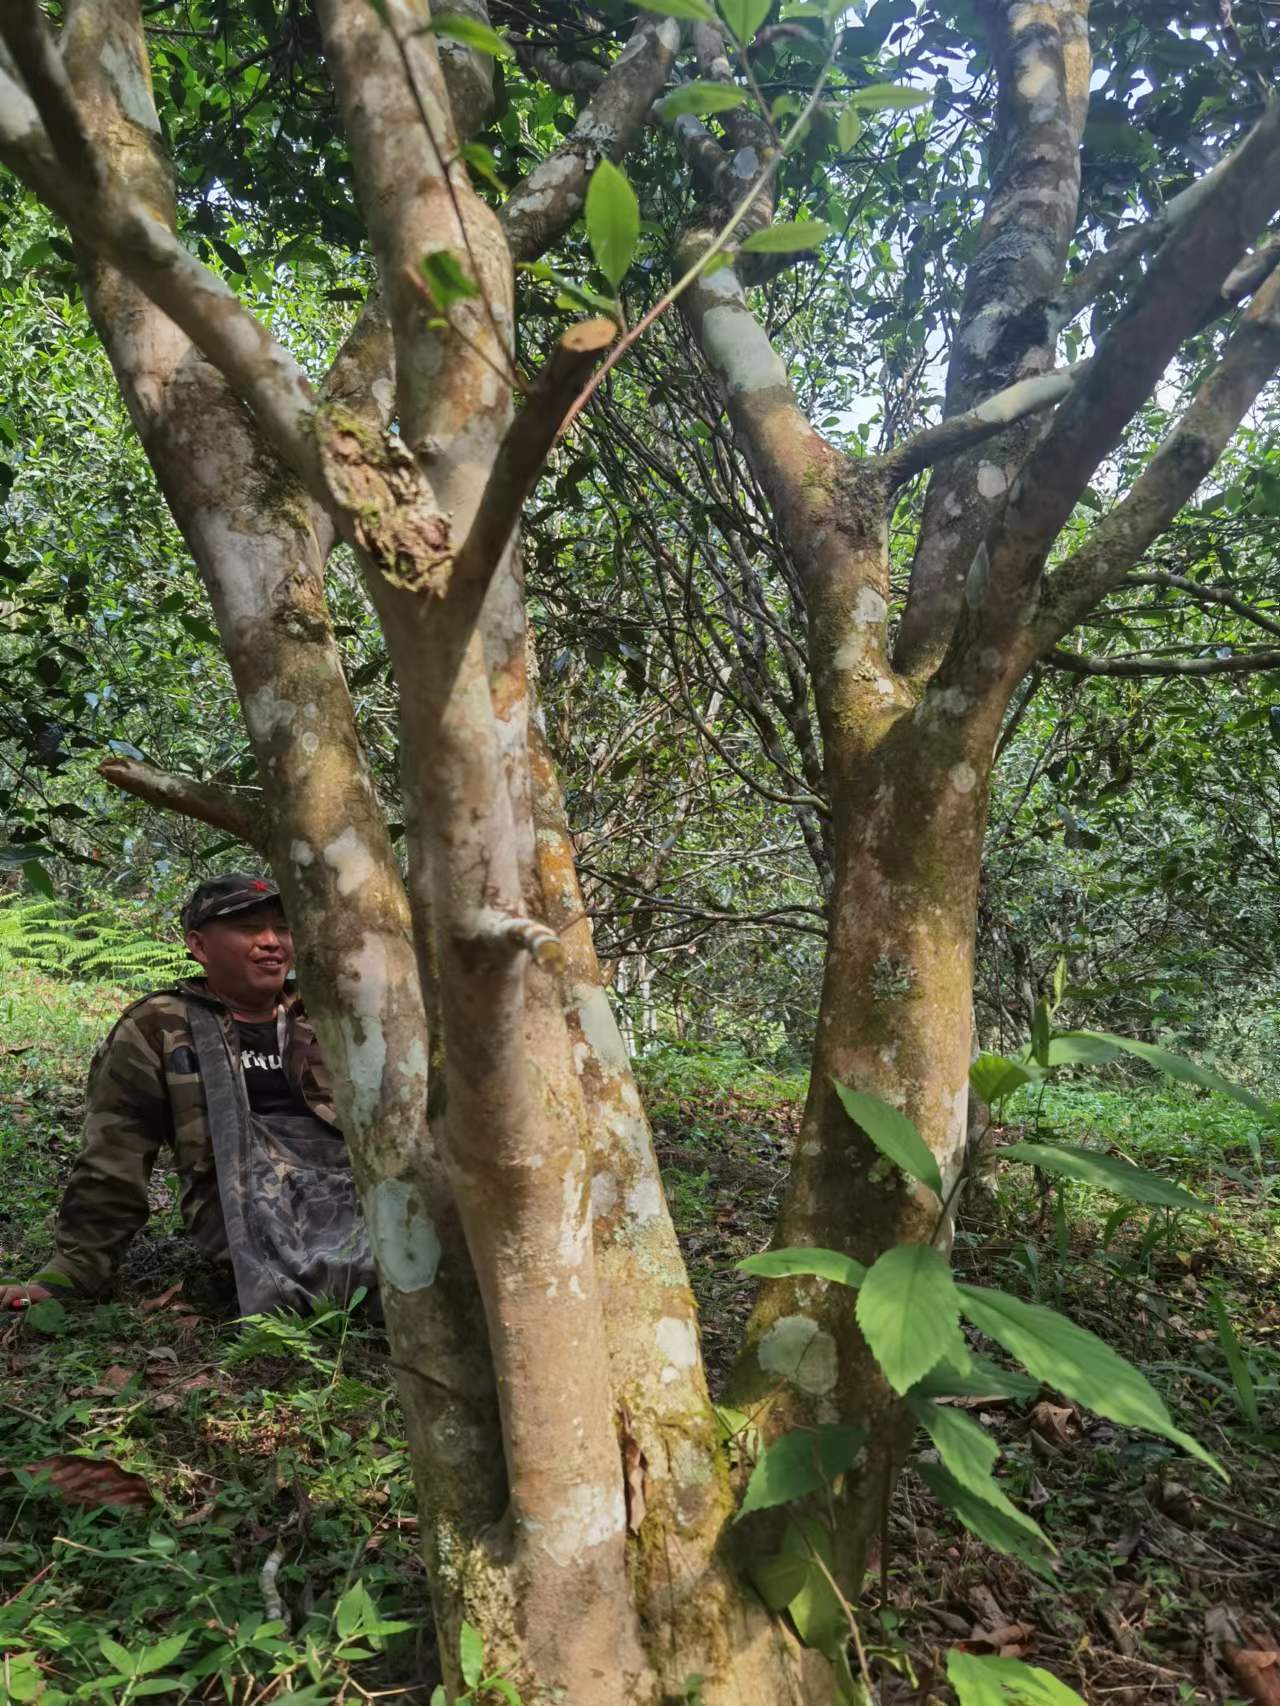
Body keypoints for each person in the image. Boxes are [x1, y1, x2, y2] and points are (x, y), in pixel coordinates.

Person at [0, 873, 375, 1317]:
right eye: (250, 929)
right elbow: (114, 1154)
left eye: (282, 927)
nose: (272, 941)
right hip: (245, 1205)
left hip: (354, 1187)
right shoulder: (160, 1026)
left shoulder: (326, 1013)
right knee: (349, 1279)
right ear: (199, 946)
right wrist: (74, 1270)